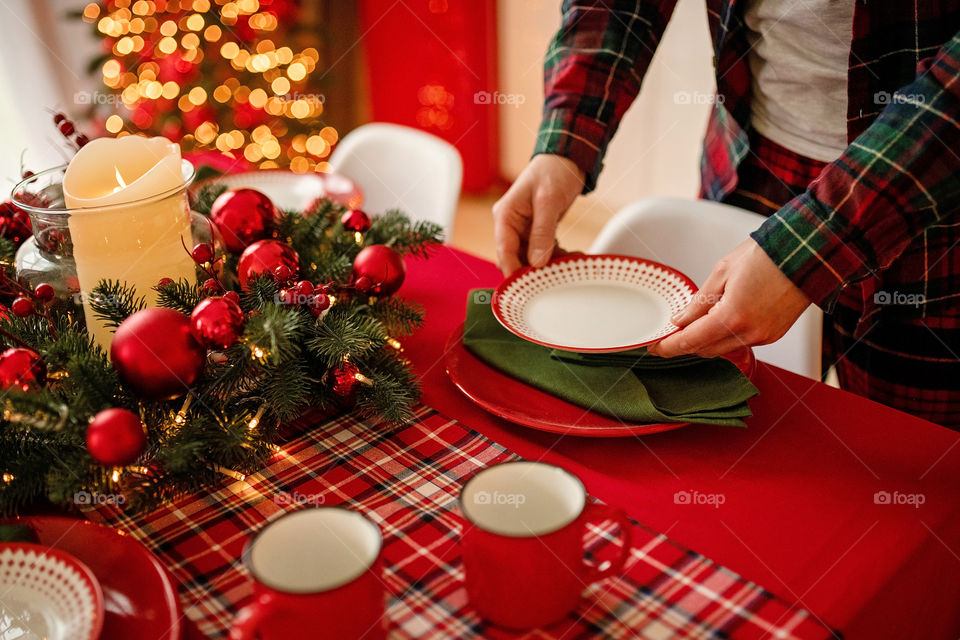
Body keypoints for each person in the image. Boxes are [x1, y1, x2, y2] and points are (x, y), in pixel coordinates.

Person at [493, 0, 960, 429]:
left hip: (936, 213)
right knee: (730, 431)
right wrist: (565, 140)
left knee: (913, 458)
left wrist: (807, 247)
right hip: (748, 168)